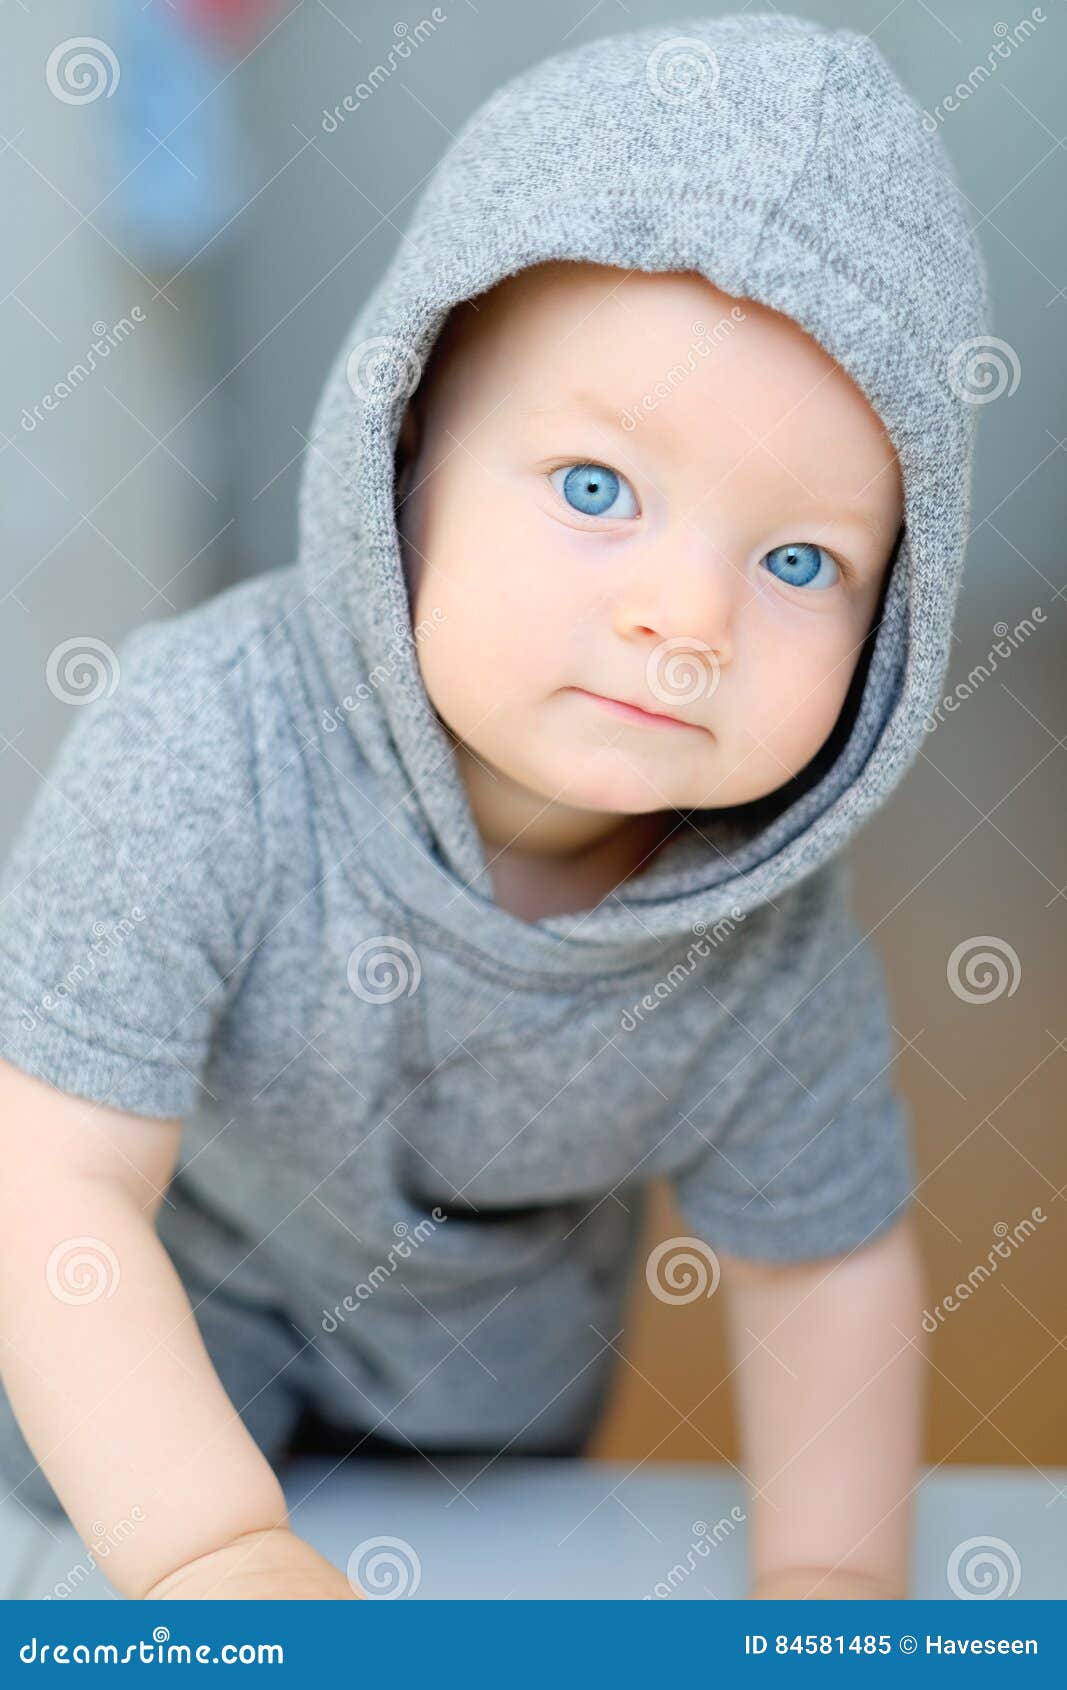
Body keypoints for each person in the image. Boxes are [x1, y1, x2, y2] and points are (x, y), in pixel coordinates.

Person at [0, 11, 989, 1599]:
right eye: (598, 488)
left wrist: (833, 1593)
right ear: (402, 459)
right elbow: (48, 1184)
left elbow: (822, 1267)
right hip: (113, 1397)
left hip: (491, 1438)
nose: (690, 618)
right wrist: (212, 1547)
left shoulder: (766, 939)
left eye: (799, 560)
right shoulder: (199, 744)